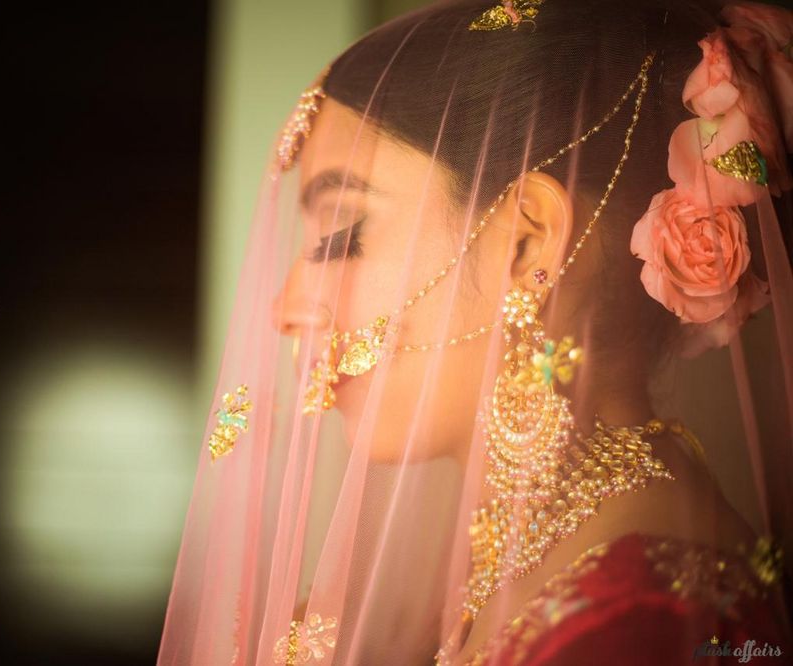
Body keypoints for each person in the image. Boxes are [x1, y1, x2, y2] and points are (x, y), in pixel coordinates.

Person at [159, 1, 793, 663]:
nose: (285, 308)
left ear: (525, 244)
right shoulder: (520, 568)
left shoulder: (641, 623)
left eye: (343, 234)